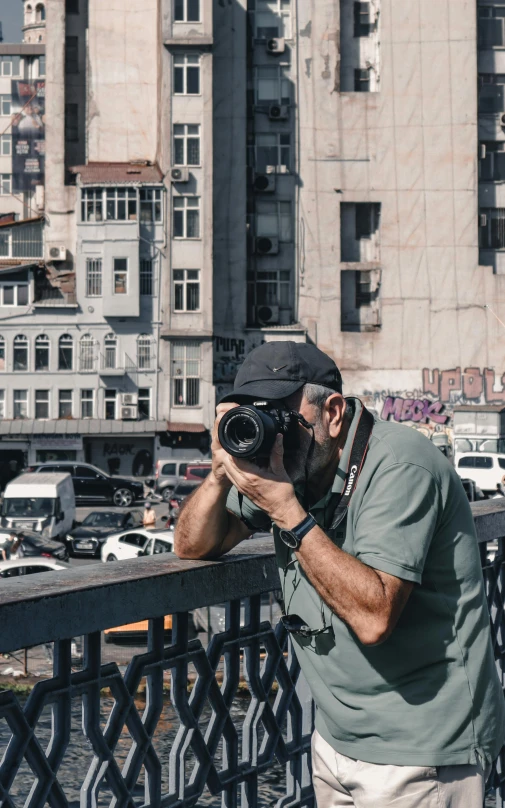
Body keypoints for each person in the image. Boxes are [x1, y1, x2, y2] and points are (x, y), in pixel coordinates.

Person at [175, 340, 505, 808]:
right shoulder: (295, 466)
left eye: (284, 420)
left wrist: (287, 511)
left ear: (333, 412)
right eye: (257, 417)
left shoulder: (399, 464)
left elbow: (374, 618)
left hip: (422, 747)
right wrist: (222, 469)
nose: (275, 436)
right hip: (336, 737)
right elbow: (192, 545)